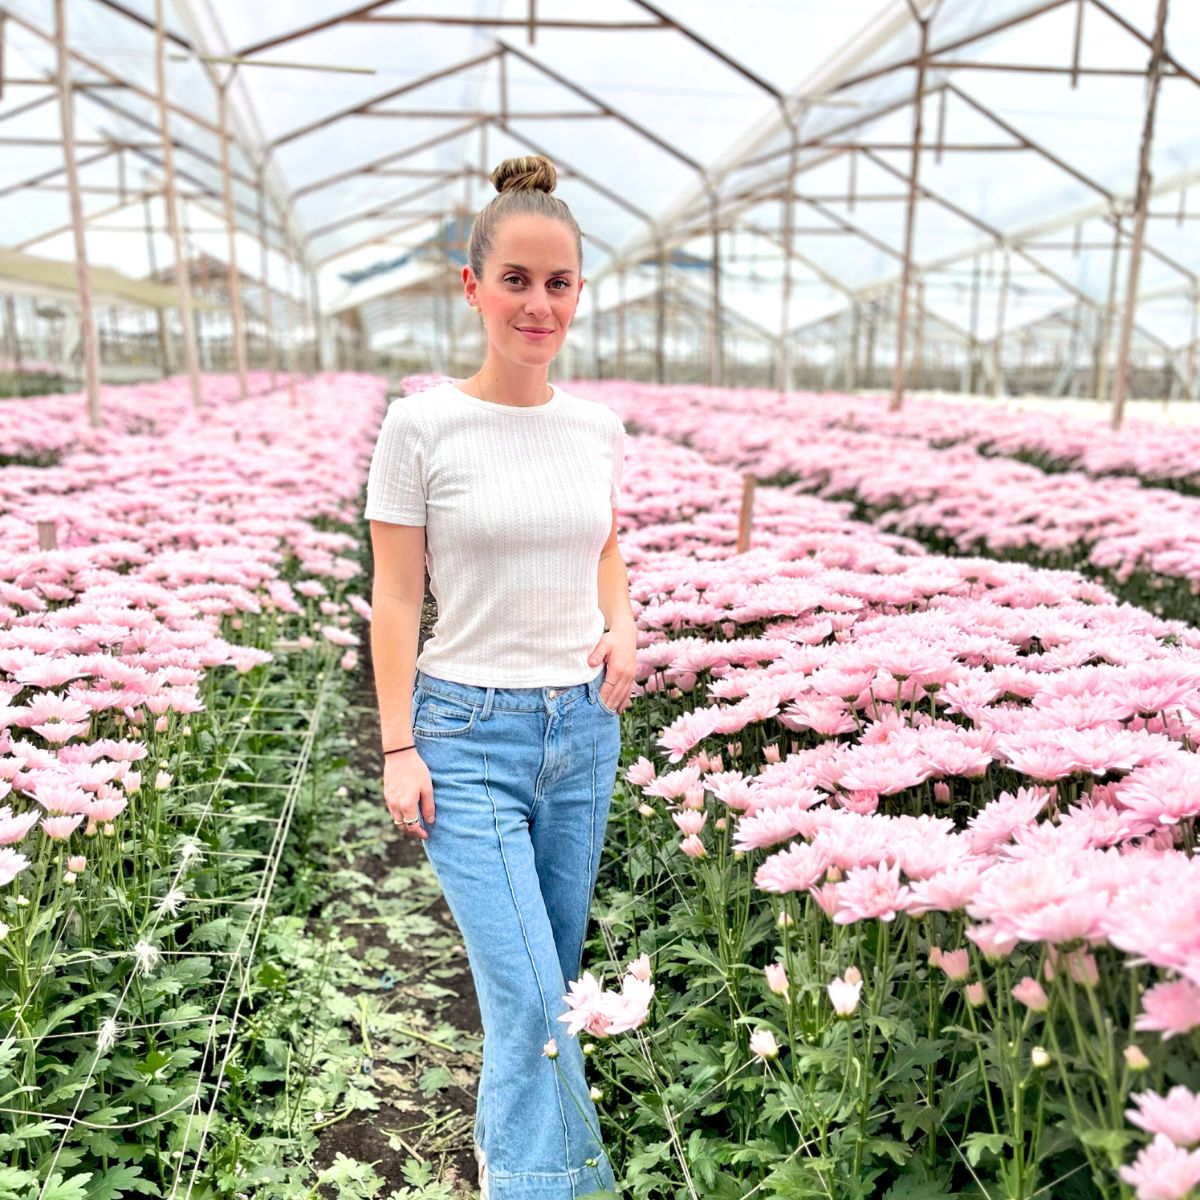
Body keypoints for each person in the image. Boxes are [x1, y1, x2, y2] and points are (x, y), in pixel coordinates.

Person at [363, 154, 634, 1200]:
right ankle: (557, 1186)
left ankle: (505, 1149)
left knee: (549, 983)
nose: (538, 303)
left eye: (558, 283)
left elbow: (605, 543)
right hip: (466, 735)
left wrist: (625, 624)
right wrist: (398, 745)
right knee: (529, 989)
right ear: (470, 286)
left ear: (579, 293)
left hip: (582, 729)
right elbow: (394, 597)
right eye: (516, 280)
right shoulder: (421, 424)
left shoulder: (595, 428)